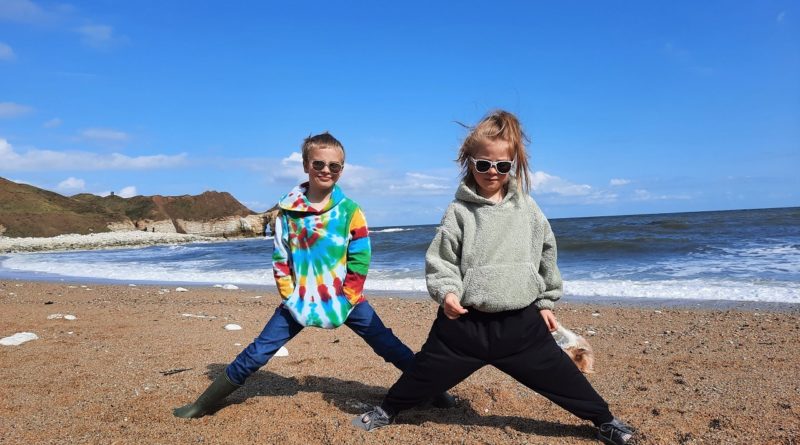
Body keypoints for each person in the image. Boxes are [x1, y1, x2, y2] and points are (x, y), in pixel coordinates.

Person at [351, 111, 636, 444]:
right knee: (423, 374)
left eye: (502, 166)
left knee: (562, 378)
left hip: (521, 325)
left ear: (513, 165)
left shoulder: (527, 208)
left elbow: (546, 252)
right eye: (483, 164)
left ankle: (603, 420)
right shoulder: (458, 211)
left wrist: (545, 301)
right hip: (464, 327)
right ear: (469, 162)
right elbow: (441, 259)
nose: (492, 172)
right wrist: (447, 294)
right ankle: (388, 409)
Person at [173, 132, 453, 418]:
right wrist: (290, 297)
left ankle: (438, 394)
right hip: (300, 299)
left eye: (335, 166)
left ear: (342, 169)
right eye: (319, 164)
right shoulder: (288, 212)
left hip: (346, 299)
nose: (326, 171)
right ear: (306, 165)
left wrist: (349, 296)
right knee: (258, 351)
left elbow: (360, 256)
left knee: (389, 345)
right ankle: (203, 405)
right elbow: (281, 258)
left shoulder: (350, 211)